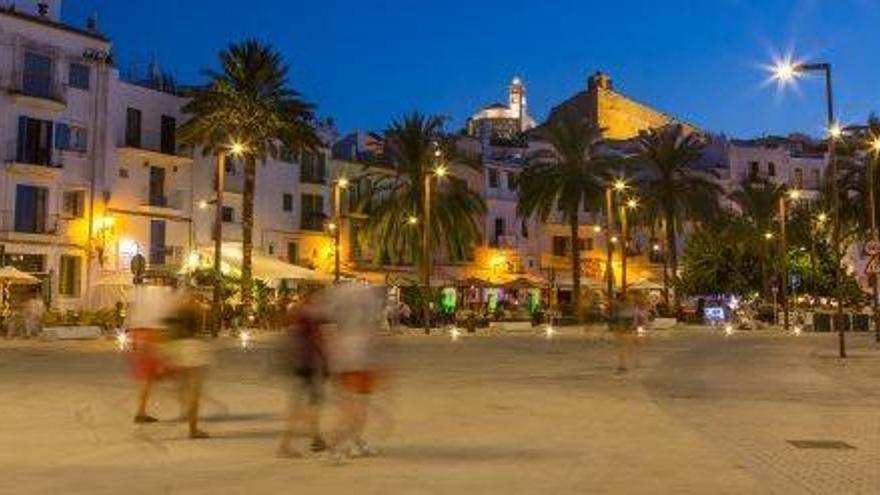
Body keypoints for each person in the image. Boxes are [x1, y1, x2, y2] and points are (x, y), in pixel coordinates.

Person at [321, 283, 386, 464]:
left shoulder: (337, 318)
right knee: (355, 411)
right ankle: (333, 448)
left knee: (357, 409)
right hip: (357, 361)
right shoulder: (365, 307)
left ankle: (356, 441)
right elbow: (373, 334)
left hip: (352, 360)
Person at [277, 291, 330, 458]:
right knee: (308, 404)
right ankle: (286, 445)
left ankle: (316, 437)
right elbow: (317, 338)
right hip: (310, 364)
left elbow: (288, 333)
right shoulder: (310, 313)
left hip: (299, 363)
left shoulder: (296, 312)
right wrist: (326, 359)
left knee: (310, 402)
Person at [161, 292, 213, 439]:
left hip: (178, 348)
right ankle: (193, 429)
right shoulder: (197, 310)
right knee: (194, 391)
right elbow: (202, 328)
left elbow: (168, 329)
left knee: (183, 385)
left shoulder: (177, 310)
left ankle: (184, 410)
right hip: (193, 348)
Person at [609, 292, 642, 373]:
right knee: (625, 345)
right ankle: (625, 363)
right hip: (626, 323)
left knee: (621, 345)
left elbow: (613, 316)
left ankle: (623, 364)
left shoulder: (618, 305)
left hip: (621, 323)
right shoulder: (630, 306)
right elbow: (635, 316)